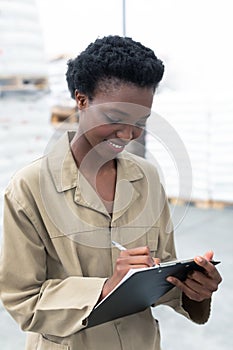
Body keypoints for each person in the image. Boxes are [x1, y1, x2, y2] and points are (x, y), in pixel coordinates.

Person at [0, 35, 222, 350]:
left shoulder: (146, 177)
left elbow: (162, 267)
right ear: (81, 100)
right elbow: (23, 299)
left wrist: (193, 287)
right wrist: (106, 288)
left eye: (141, 122)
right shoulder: (29, 189)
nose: (129, 134)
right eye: (115, 119)